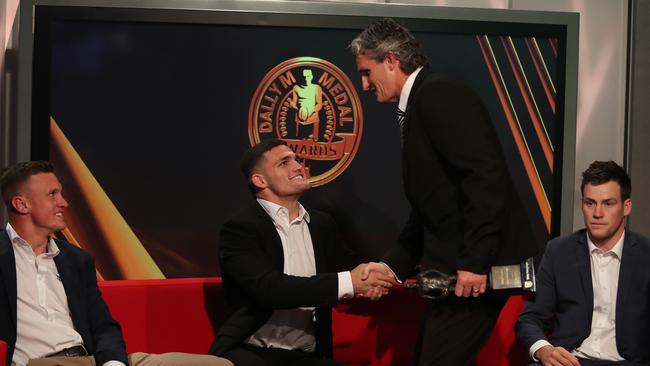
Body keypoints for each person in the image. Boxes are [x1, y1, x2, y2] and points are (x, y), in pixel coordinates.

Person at [349, 18, 537, 365]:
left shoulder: (438, 93)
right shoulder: (421, 100)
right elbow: (433, 208)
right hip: (457, 272)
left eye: (366, 71)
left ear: (391, 59)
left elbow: (484, 178)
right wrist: (392, 266)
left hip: (475, 273)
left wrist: (475, 263)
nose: (363, 84)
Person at [0, 161, 232, 366]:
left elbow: (103, 326)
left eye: (61, 193)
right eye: (52, 194)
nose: (64, 202)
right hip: (42, 363)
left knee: (217, 365)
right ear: (22, 205)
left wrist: (113, 363)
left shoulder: (77, 259)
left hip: (91, 359)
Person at [209, 139, 396, 366]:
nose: (298, 166)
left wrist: (380, 273)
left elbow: (352, 265)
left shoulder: (321, 223)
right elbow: (269, 289)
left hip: (306, 355)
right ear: (260, 180)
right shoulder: (241, 228)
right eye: (284, 163)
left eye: (296, 160)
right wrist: (350, 283)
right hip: (250, 351)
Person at [516, 161, 650, 366]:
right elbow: (530, 318)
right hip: (570, 360)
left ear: (626, 207)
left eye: (608, 203)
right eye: (590, 203)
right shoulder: (558, 251)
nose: (597, 213)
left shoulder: (645, 254)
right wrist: (544, 351)